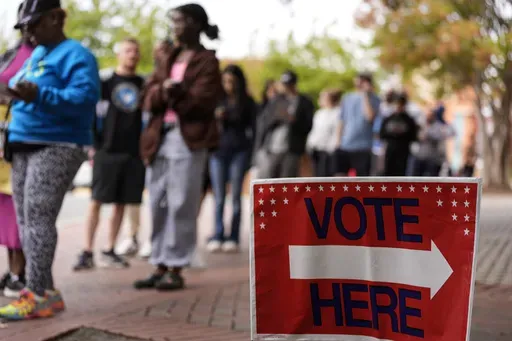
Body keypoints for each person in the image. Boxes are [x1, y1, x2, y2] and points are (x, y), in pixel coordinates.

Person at [0, 0, 100, 320]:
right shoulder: (39, 54)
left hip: (57, 144)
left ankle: (37, 294)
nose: (28, 32)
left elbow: (85, 99)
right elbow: (24, 92)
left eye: (34, 24)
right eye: (24, 27)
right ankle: (48, 290)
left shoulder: (76, 55)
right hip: (24, 143)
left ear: (56, 18)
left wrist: (39, 95)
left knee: (39, 218)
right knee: (27, 221)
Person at [134, 3, 222, 291]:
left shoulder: (207, 60)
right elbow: (147, 95)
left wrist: (178, 92)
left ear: (195, 24)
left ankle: (176, 266)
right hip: (159, 137)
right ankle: (159, 263)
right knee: (157, 199)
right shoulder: (167, 55)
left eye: (180, 22)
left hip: (188, 139)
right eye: (173, 22)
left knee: (182, 201)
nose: (175, 27)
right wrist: (162, 90)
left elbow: (205, 102)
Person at [73, 38, 145, 271]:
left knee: (122, 203)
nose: (132, 55)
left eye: (135, 51)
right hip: (107, 150)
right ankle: (87, 250)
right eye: (127, 50)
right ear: (119, 55)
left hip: (133, 153)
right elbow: (92, 114)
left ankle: (110, 249)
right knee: (97, 201)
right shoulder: (105, 83)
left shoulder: (143, 85)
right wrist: (94, 145)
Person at [0, 2, 34, 299]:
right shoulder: (11, 53)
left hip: (20, 141)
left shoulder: (43, 56)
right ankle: (11, 272)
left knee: (17, 208)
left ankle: (18, 274)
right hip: (1, 139)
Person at [207, 64, 257, 253]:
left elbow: (254, 130)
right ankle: (218, 234)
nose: (228, 85)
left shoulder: (247, 102)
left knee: (236, 196)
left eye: (232, 81)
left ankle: (233, 236)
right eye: (225, 81)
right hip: (217, 153)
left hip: (239, 152)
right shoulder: (216, 100)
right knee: (219, 196)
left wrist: (251, 156)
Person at [254, 70, 314, 178]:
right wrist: (277, 117)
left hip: (292, 149)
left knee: (287, 182)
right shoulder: (277, 100)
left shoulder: (304, 102)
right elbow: (265, 121)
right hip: (272, 147)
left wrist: (294, 121)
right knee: (269, 181)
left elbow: (308, 126)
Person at [335, 73, 381, 176]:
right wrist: (338, 142)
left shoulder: (375, 99)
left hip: (363, 147)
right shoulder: (347, 98)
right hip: (345, 145)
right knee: (340, 177)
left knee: (362, 181)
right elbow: (341, 120)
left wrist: (365, 95)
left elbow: (370, 117)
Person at [379, 92, 418, 176]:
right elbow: (382, 134)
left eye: (400, 104)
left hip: (403, 150)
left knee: (401, 173)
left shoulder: (409, 120)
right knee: (388, 173)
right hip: (390, 150)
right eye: (396, 104)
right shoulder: (388, 119)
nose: (398, 107)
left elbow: (413, 136)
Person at [306, 88, 342, 177]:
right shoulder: (319, 113)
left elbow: (337, 132)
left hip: (328, 151)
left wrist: (333, 148)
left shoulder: (338, 113)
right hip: (315, 149)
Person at [413, 105, 456, 176]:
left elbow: (448, 134)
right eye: (427, 115)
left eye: (431, 115)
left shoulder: (438, 126)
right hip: (420, 157)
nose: (429, 117)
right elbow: (417, 137)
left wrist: (429, 134)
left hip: (433, 159)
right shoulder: (421, 125)